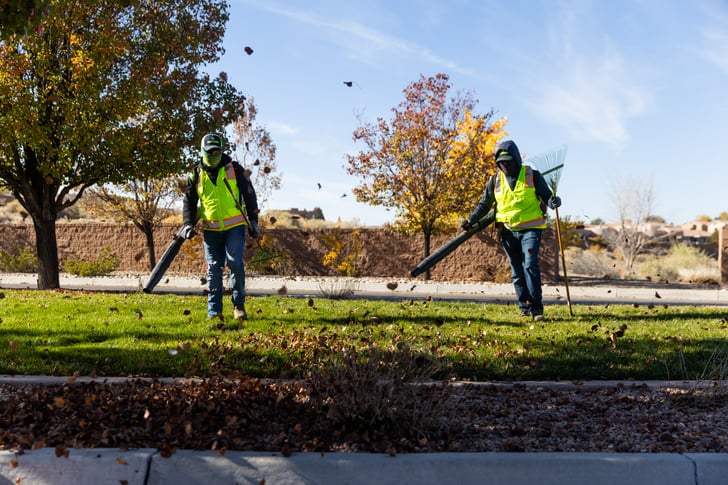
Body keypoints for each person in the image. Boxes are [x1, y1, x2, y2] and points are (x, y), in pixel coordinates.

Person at [461, 140, 561, 321]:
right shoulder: (495, 180)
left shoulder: (531, 175)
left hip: (531, 229)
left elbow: (546, 195)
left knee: (529, 264)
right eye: (501, 162)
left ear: (516, 159)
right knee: (516, 271)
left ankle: (537, 309)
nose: (505, 165)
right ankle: (524, 307)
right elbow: (484, 205)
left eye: (508, 161)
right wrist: (470, 220)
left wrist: (553, 201)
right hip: (507, 231)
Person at [182, 133, 259, 321]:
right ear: (202, 152)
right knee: (214, 268)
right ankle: (214, 311)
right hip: (211, 230)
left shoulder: (234, 169)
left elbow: (250, 195)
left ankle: (238, 306)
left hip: (235, 227)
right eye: (210, 152)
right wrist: (188, 224)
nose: (214, 155)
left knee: (234, 262)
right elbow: (189, 202)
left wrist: (254, 220)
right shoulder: (195, 175)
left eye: (217, 152)